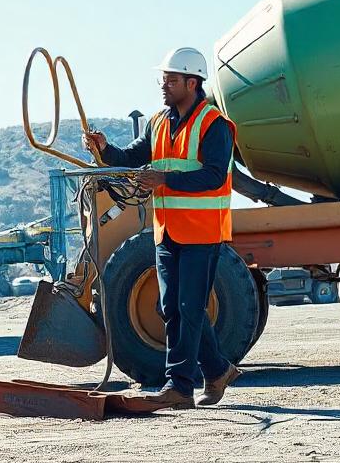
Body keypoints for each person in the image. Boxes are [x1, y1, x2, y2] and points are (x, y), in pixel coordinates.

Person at [83, 47, 241, 409]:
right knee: (172, 307)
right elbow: (128, 158)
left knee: (189, 307)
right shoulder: (158, 122)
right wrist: (106, 150)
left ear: (192, 82)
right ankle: (216, 371)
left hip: (202, 231)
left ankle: (179, 387)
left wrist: (163, 178)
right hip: (167, 231)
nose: (164, 86)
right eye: (163, 79)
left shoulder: (214, 125)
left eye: (171, 80)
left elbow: (214, 176)